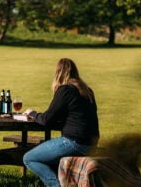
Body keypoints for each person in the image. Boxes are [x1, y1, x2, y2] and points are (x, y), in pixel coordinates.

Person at [22, 58, 100, 187]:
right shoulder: (87, 90)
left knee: (29, 158)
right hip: (91, 143)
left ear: (58, 73)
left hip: (75, 142)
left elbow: (47, 120)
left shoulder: (66, 89)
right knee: (51, 159)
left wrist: (32, 114)